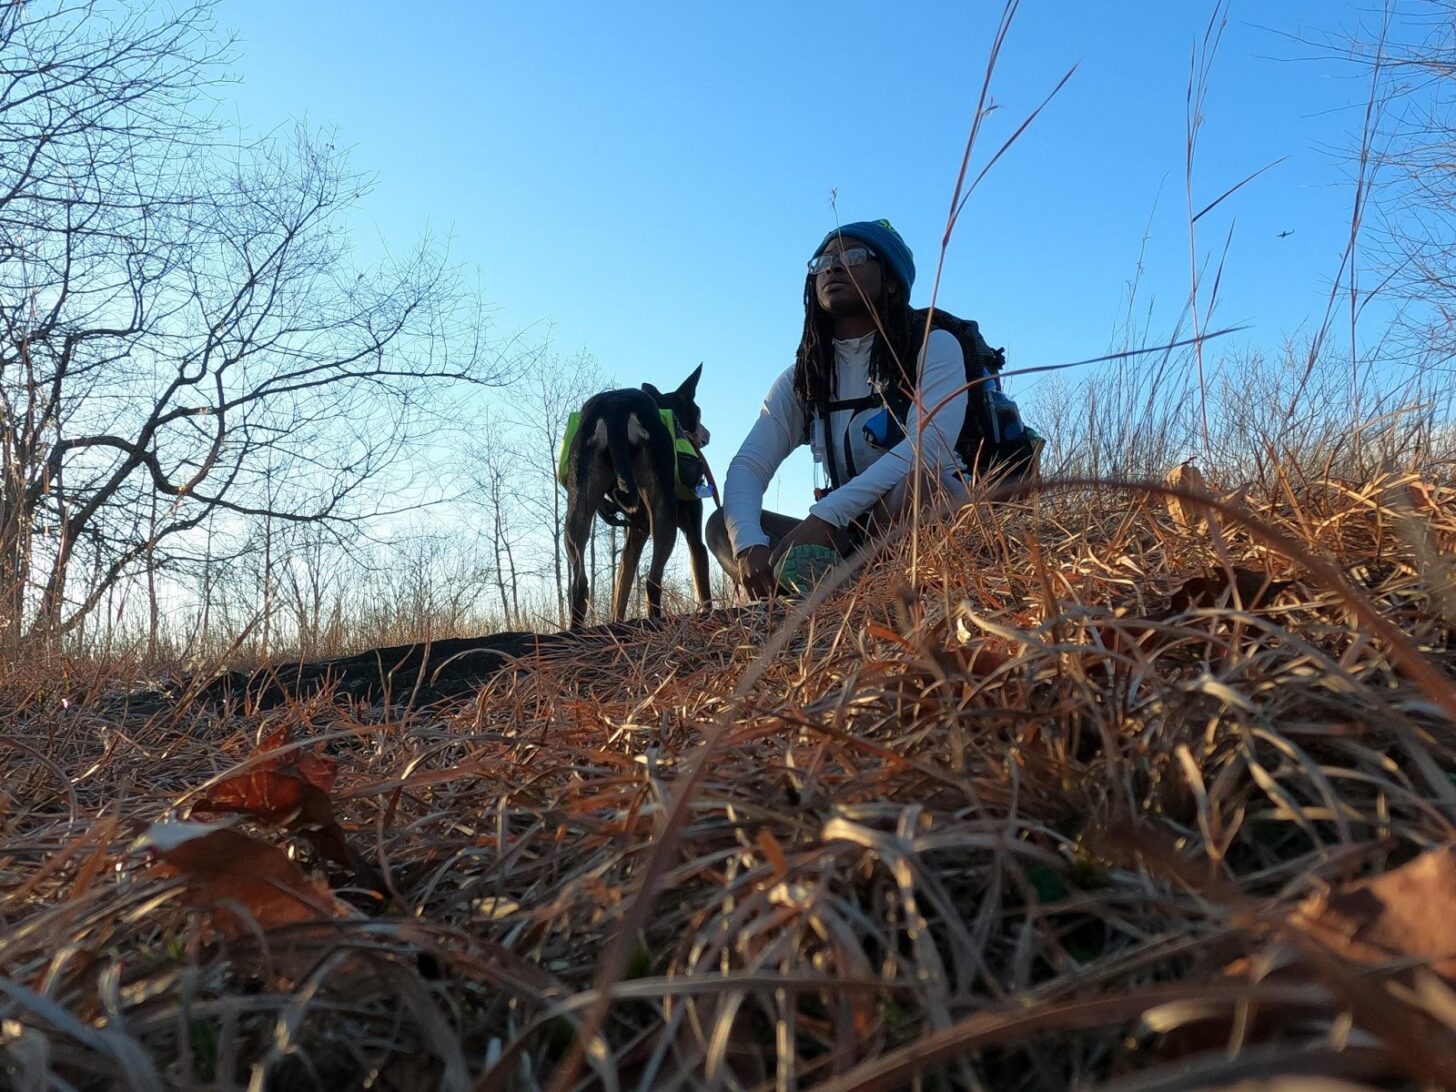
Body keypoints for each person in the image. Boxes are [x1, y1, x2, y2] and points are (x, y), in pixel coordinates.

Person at [705, 219, 971, 598]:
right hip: (851, 539)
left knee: (920, 486)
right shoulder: (806, 375)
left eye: (854, 256)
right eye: (824, 262)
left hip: (929, 518)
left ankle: (856, 595)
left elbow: (926, 449)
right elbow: (749, 465)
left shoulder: (933, 346)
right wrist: (749, 544)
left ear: (891, 280)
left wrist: (828, 514)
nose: (832, 268)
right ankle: (813, 602)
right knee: (723, 527)